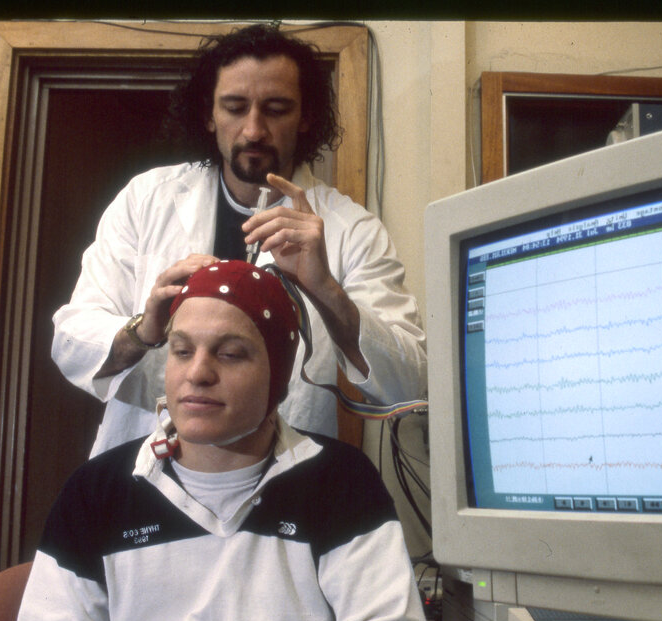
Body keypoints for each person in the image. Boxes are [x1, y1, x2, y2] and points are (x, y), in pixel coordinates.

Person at [17, 260, 433, 621]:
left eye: (230, 354)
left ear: (279, 376)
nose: (198, 373)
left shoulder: (341, 482)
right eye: (181, 351)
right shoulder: (95, 493)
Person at [52, 23, 426, 457]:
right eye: (234, 107)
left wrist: (326, 290)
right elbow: (70, 342)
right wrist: (144, 330)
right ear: (209, 115)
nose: (253, 130)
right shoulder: (145, 200)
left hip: (281, 487)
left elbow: (409, 384)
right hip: (145, 475)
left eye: (276, 108)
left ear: (306, 116)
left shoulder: (352, 229)